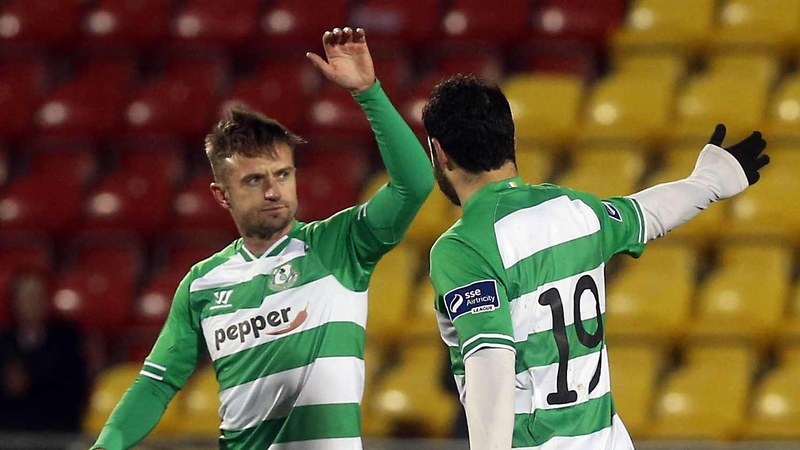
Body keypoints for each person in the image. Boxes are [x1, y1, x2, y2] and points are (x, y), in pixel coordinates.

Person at [91, 27, 433, 450]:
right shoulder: (201, 284)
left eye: (282, 175)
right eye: (254, 180)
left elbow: (415, 184)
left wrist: (368, 92)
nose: (273, 191)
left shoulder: (339, 244)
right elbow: (156, 384)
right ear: (222, 195)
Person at [424, 74, 769, 449]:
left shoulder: (465, 248)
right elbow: (646, 214)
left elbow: (491, 364)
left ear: (439, 152)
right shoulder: (577, 211)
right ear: (512, 140)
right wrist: (709, 182)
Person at [0, 272, 89, 433]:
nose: (32, 304)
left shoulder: (67, 338)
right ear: (14, 302)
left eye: (38, 297)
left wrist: (31, 380)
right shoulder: (4, 341)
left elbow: (74, 387)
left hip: (56, 429)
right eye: (27, 297)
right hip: (10, 431)